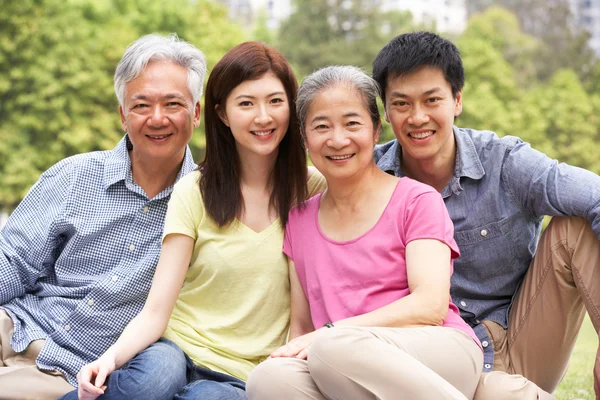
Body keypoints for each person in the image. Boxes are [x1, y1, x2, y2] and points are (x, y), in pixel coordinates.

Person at [69, 41, 327, 400]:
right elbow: (156, 309)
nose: (263, 117)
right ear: (222, 114)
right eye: (246, 103)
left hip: (243, 374)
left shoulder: (314, 191)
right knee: (145, 385)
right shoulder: (195, 190)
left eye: (275, 101)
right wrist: (109, 358)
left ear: (292, 108)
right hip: (175, 350)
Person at [371, 31, 600, 400]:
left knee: (575, 224)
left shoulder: (505, 162)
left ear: (457, 100)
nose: (418, 117)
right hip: (436, 363)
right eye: (401, 104)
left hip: (521, 339)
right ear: (385, 110)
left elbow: (597, 195)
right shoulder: (370, 178)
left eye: (432, 100)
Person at [246, 65, 483, 400]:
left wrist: (333, 333)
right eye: (322, 127)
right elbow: (301, 329)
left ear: (375, 130)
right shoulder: (299, 221)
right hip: (342, 363)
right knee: (269, 379)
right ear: (304, 139)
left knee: (332, 347)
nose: (338, 139)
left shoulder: (416, 200)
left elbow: (430, 306)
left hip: (438, 352)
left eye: (352, 123)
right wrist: (319, 342)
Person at [0, 33, 204, 400]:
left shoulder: (206, 204)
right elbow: (12, 261)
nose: (157, 118)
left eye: (173, 103)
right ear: (123, 115)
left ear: (197, 113)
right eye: (141, 105)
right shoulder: (75, 174)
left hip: (78, 374)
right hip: (14, 327)